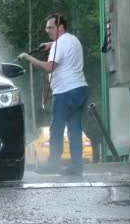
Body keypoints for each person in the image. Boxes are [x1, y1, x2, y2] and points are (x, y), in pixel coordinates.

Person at [18, 14, 88, 176]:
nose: (47, 30)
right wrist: (51, 44)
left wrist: (28, 57)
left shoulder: (59, 44)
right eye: (47, 27)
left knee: (56, 128)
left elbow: (49, 67)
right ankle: (77, 167)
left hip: (65, 92)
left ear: (60, 27)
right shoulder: (72, 40)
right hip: (79, 89)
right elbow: (63, 47)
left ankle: (53, 165)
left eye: (50, 27)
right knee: (74, 129)